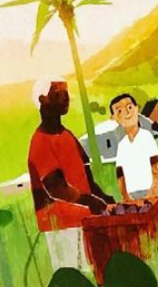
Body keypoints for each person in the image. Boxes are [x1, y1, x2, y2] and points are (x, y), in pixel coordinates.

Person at [26, 78, 113, 271]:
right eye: (57, 94)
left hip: (85, 217)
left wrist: (102, 197)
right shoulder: (40, 142)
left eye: (66, 93)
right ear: (42, 99)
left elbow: (87, 176)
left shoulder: (67, 136)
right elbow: (57, 188)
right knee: (76, 272)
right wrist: (91, 201)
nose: (65, 98)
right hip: (60, 224)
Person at [111, 93, 158, 203]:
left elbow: (157, 171)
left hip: (151, 194)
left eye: (129, 107)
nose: (127, 113)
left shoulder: (147, 137)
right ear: (114, 118)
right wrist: (126, 198)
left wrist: (150, 197)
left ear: (137, 108)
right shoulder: (122, 145)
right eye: (119, 111)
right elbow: (120, 176)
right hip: (131, 198)